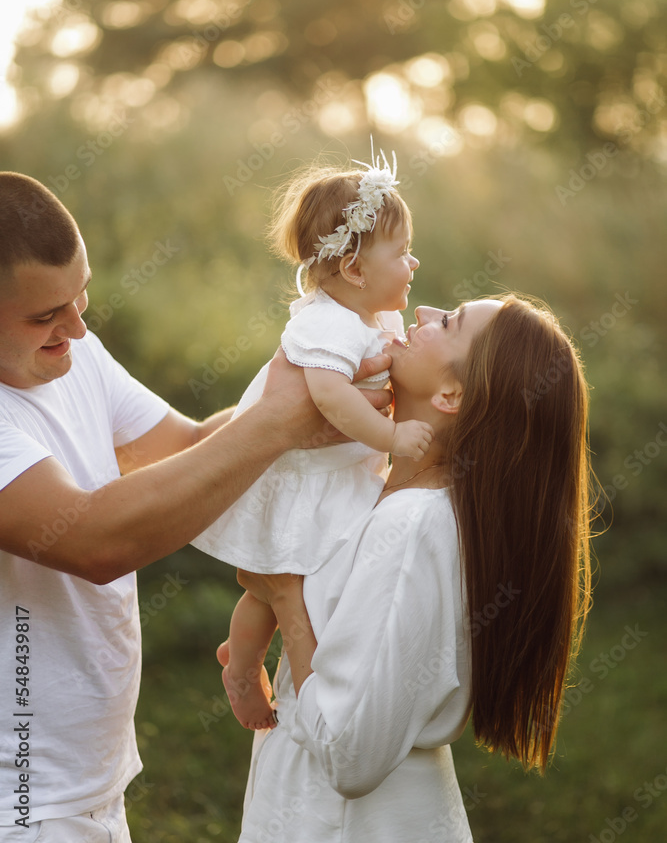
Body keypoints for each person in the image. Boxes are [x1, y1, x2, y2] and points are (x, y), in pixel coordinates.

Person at [0, 170, 391, 842]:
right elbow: (95, 542)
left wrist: (319, 407)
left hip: (90, 783)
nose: (77, 325)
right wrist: (276, 423)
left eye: (80, 298)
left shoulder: (73, 353)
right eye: (46, 316)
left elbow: (187, 450)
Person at [221, 293, 594, 843]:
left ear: (452, 394)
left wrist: (284, 599)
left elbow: (350, 754)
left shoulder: (414, 527)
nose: (422, 314)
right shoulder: (383, 492)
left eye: (449, 322)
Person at [192, 146, 432, 729]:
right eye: (401, 253)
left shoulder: (378, 318)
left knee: (294, 590)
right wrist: (391, 435)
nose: (414, 264)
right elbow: (329, 396)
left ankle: (283, 676)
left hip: (337, 475)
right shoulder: (324, 323)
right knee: (283, 591)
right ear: (354, 270)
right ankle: (259, 676)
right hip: (299, 482)